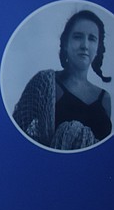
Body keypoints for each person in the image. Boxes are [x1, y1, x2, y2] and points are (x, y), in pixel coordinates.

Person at [13, 9, 112, 150]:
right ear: (65, 43)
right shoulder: (44, 84)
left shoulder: (104, 98)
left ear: (98, 48)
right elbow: (15, 133)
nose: (85, 45)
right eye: (78, 37)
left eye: (92, 38)